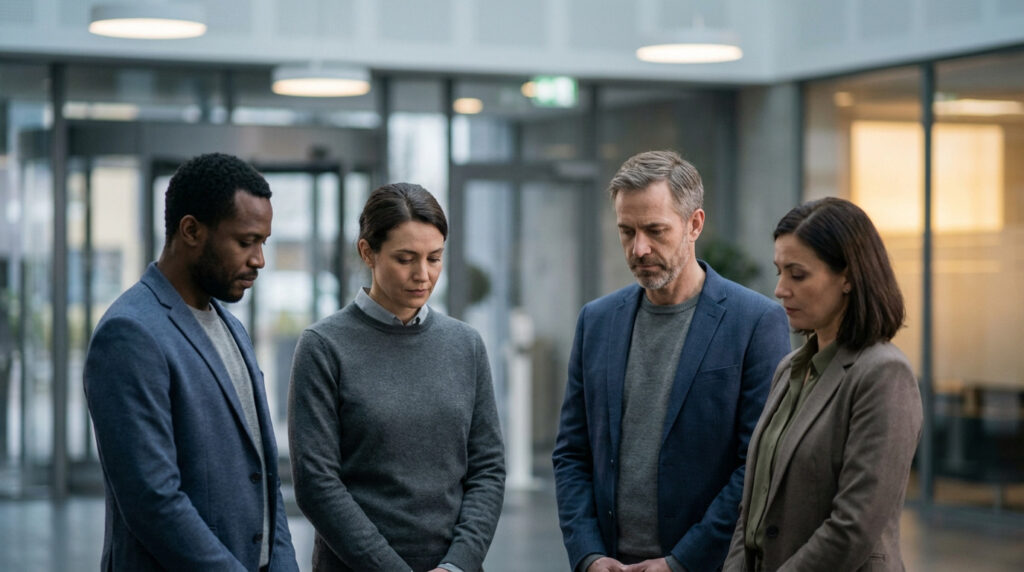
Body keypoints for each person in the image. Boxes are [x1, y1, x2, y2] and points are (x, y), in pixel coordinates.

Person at [552, 150, 791, 572]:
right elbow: (573, 452)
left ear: (694, 224)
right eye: (626, 231)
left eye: (655, 230)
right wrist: (589, 555)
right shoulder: (597, 321)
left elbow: (757, 466)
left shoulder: (755, 321)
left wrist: (681, 562)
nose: (638, 248)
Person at [83, 153, 298, 571]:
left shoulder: (232, 327)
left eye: (263, 243)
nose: (259, 260)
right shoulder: (129, 334)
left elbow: (264, 480)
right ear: (191, 230)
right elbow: (154, 502)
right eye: (245, 241)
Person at [288, 182, 505, 572]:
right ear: (367, 252)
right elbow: (316, 484)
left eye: (434, 258)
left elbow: (487, 468)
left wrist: (458, 564)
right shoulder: (323, 346)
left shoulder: (466, 345)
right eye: (405, 259)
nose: (423, 275)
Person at [724, 197, 922, 571]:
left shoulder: (883, 374)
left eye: (797, 274)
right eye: (779, 271)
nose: (781, 288)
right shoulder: (790, 369)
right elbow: (752, 508)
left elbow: (854, 526)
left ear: (847, 276)